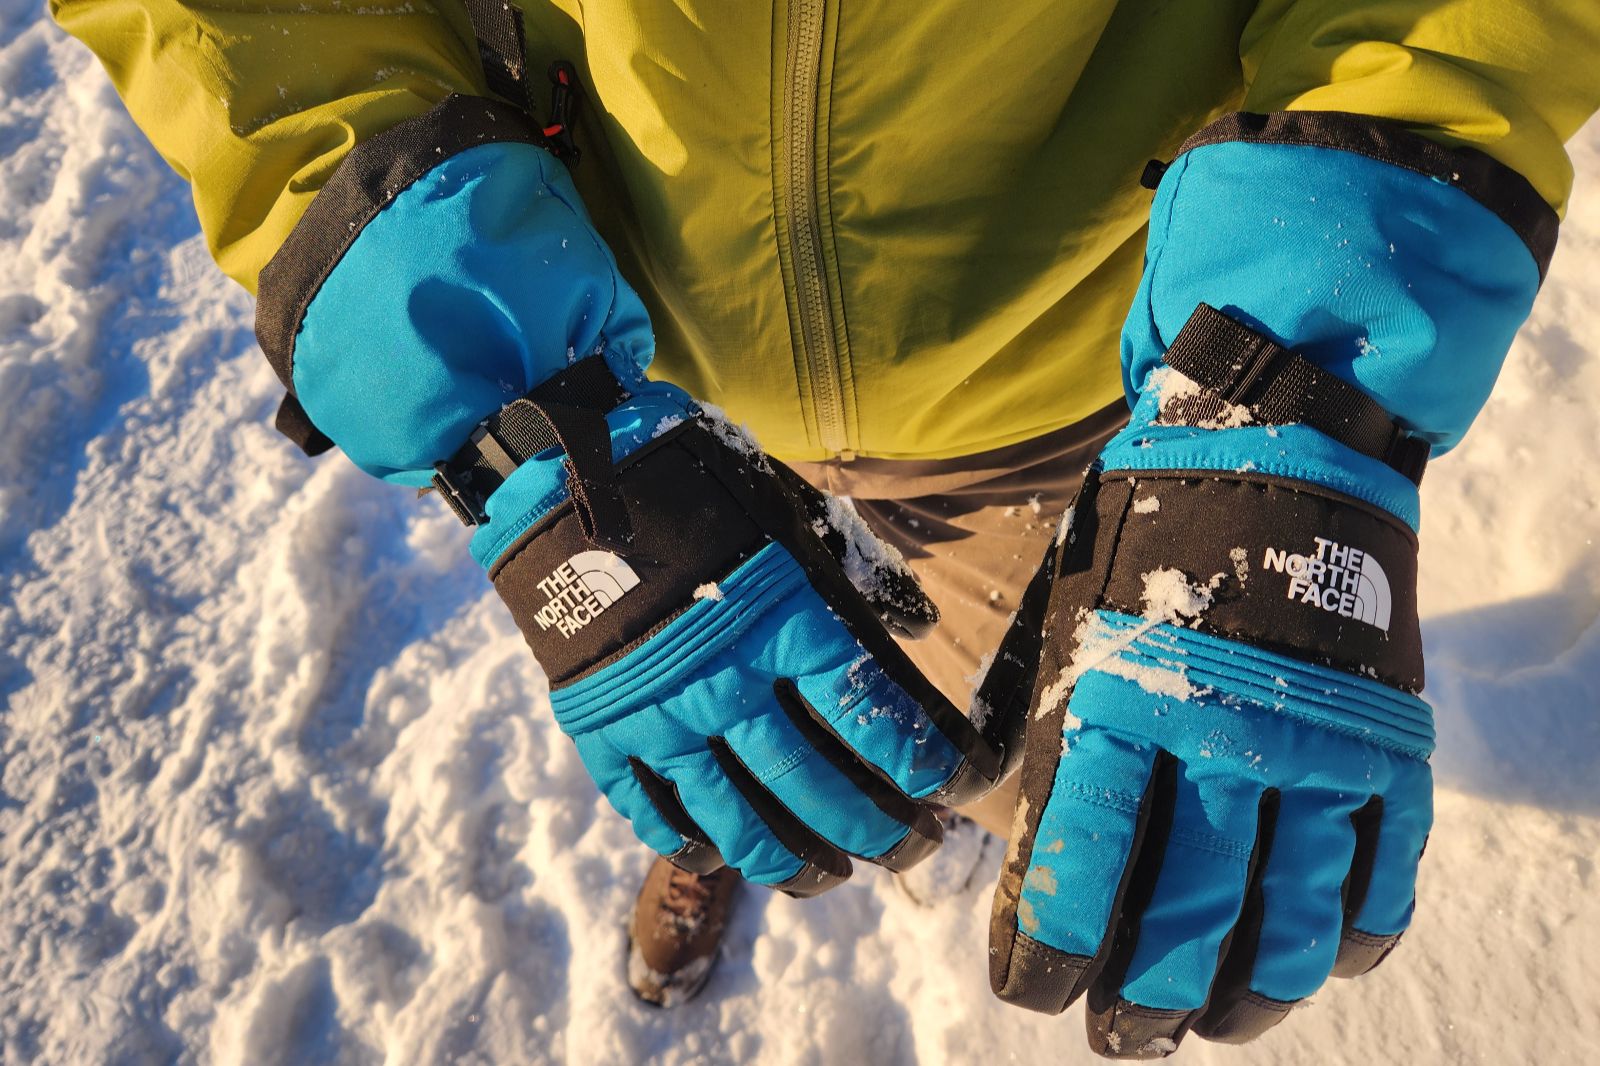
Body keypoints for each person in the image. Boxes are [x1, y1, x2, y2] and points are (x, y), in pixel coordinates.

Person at [51, 0, 1600, 1056]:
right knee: (691, 683)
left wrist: (1292, 370)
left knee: (1003, 713)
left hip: (1057, 367)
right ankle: (714, 828)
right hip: (623, 349)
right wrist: (484, 366)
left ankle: (963, 795)